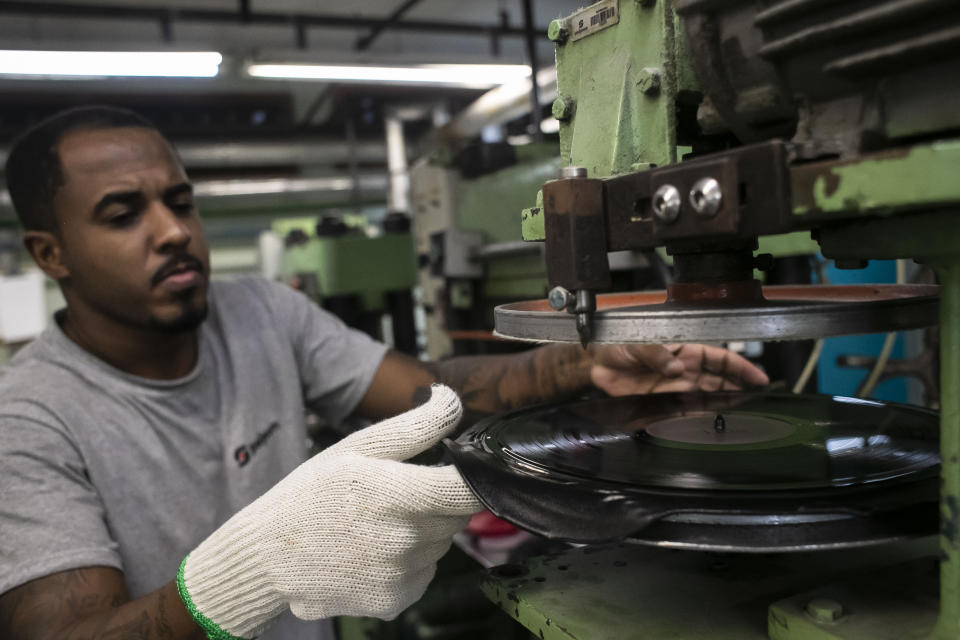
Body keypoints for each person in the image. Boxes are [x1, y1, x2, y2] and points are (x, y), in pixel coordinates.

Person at [0, 106, 769, 640]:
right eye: (122, 213)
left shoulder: (263, 313)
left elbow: (428, 394)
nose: (172, 231)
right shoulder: (30, 420)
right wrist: (243, 577)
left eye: (180, 201)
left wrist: (586, 364)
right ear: (50, 254)